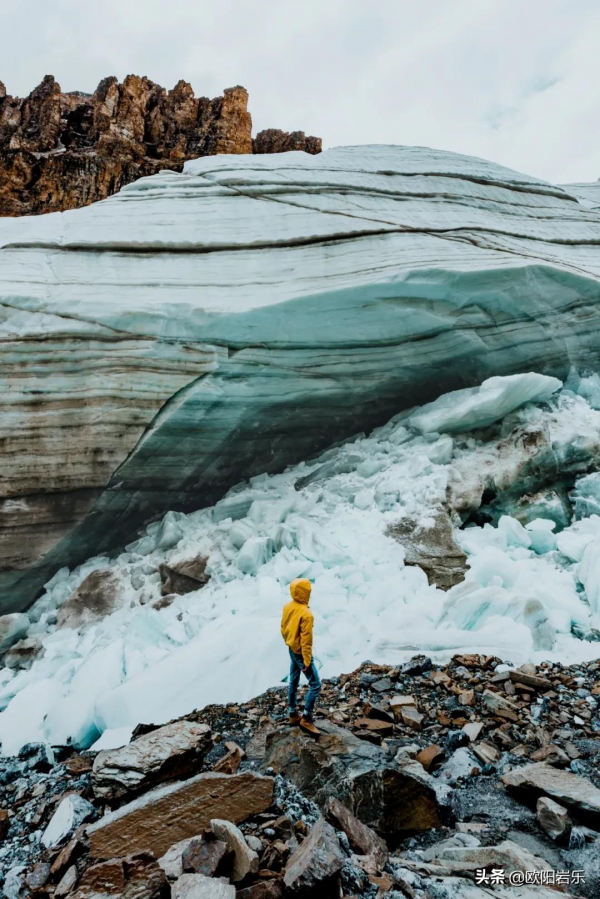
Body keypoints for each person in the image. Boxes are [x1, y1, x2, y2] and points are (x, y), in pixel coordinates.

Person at [280, 578, 321, 735]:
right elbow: (306, 641)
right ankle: (306, 718)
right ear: (305, 593)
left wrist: (289, 643)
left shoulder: (288, 606)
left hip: (291, 648)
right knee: (316, 684)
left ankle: (292, 713)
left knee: (294, 679)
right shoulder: (306, 614)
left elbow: (283, 628)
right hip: (300, 652)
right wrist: (306, 659)